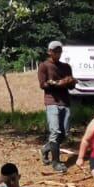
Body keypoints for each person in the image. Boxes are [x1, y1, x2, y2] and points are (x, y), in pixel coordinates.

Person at [37, 40, 75, 172]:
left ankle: (45, 149)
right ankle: (56, 162)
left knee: (64, 133)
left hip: (65, 101)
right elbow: (43, 84)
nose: (57, 53)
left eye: (59, 51)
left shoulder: (66, 67)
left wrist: (69, 82)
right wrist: (57, 83)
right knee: (55, 131)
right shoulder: (44, 66)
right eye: (55, 51)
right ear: (49, 52)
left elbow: (71, 86)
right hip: (52, 101)